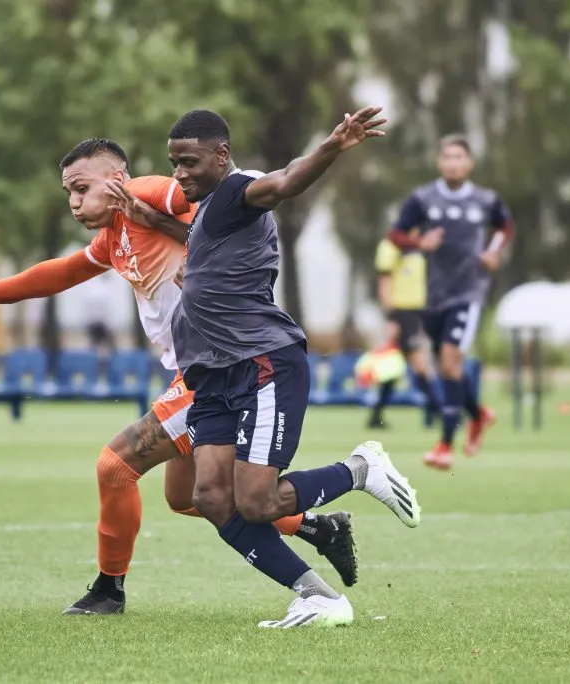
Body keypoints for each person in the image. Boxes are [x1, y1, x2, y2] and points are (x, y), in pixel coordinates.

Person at [0, 138, 357, 616]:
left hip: (218, 366)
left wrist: (194, 247)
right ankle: (316, 527)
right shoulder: (112, 237)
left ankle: (109, 590)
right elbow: (62, 272)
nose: (74, 202)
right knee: (188, 498)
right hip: (198, 371)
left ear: (118, 180)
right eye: (68, 193)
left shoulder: (150, 192)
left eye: (81, 188)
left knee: (115, 466)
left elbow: (209, 201)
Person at [166, 107, 421, 629]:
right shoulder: (209, 212)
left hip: (261, 365)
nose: (179, 173)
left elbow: (283, 182)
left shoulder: (239, 190)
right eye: (173, 163)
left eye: (189, 161)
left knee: (256, 501)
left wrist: (331, 146)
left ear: (221, 155)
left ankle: (359, 470)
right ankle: (318, 597)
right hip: (214, 375)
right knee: (212, 496)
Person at [387, 135, 513, 470]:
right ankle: (480, 414)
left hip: (469, 292)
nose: (453, 163)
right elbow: (396, 235)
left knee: (450, 359)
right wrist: (418, 243)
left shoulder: (485, 200)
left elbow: (504, 226)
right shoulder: (423, 199)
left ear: (469, 163)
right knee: (449, 366)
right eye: (447, 157)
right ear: (439, 163)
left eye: (460, 157)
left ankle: (444, 444)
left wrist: (493, 252)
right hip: (433, 296)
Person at [366, 236, 438, 429]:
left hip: (415, 313)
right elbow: (384, 283)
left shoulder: (419, 246)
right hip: (401, 313)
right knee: (417, 362)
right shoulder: (391, 245)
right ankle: (439, 410)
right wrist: (391, 317)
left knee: (395, 366)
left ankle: (376, 416)